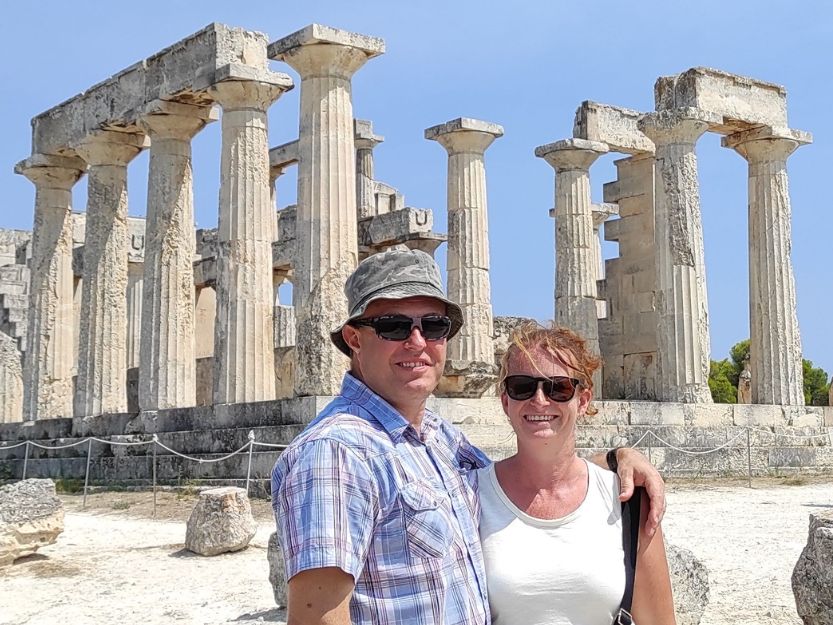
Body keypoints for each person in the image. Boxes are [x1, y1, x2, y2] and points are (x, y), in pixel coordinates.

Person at [271, 248, 666, 625]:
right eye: (393, 326)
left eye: (434, 325)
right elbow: (315, 617)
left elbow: (534, 470)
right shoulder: (334, 454)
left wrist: (614, 461)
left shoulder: (437, 438)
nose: (417, 341)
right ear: (354, 339)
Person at [479, 322, 676, 625]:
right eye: (522, 386)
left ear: (583, 400)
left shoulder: (628, 500)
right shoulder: (468, 497)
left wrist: (618, 456)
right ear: (506, 401)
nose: (540, 400)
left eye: (559, 387)